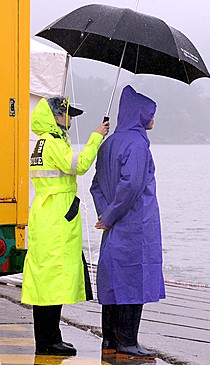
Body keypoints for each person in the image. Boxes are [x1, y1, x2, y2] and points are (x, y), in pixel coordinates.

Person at [21, 96, 110, 356]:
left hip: (46, 213)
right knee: (53, 280)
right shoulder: (53, 143)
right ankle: (49, 342)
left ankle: (49, 339)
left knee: (46, 279)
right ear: (56, 116)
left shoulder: (41, 143)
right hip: (57, 216)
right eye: (68, 114)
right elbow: (79, 165)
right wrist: (96, 137)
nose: (70, 120)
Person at [90, 85, 165, 359]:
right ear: (141, 115)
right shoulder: (137, 144)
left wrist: (104, 216)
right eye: (151, 113)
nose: (153, 118)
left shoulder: (109, 143)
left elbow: (96, 184)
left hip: (114, 227)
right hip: (135, 225)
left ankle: (109, 339)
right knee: (135, 280)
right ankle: (128, 342)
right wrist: (110, 215)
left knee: (113, 283)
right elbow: (131, 185)